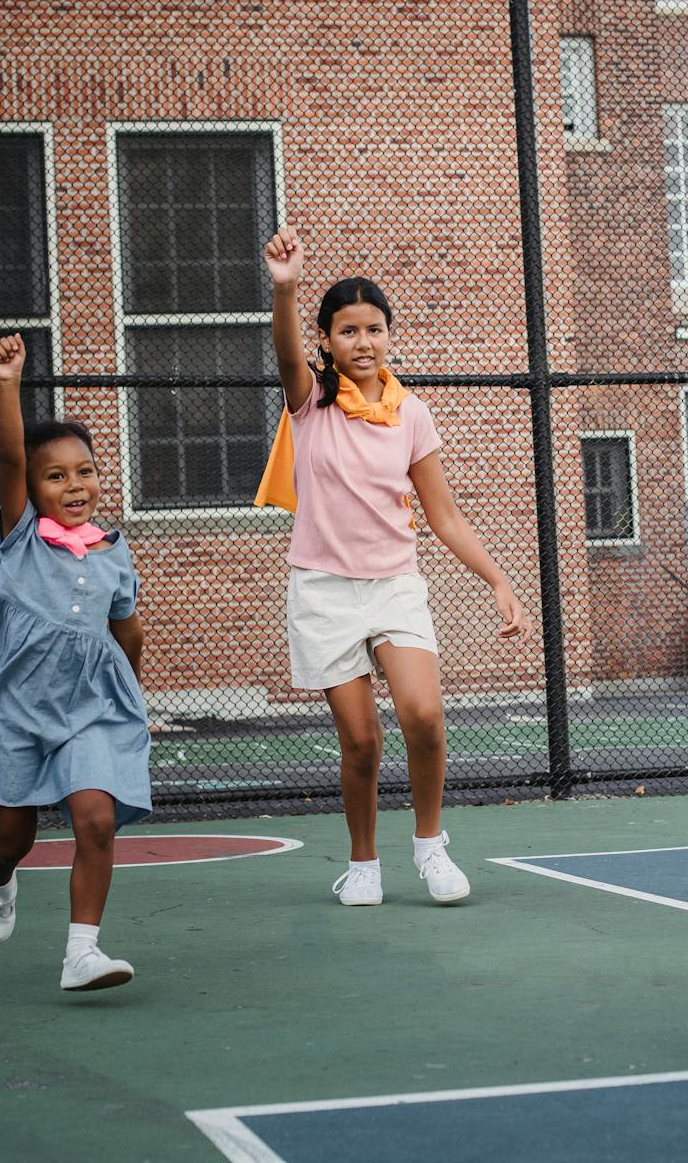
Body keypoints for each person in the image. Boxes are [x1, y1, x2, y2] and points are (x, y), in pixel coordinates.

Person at [257, 225, 529, 906]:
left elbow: (445, 516)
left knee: (424, 715)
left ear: (389, 335)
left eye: (374, 329)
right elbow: (284, 350)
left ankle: (431, 847)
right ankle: (364, 864)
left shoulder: (412, 414)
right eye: (347, 331)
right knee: (359, 742)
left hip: (394, 586)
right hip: (322, 590)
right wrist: (286, 288)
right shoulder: (309, 402)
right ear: (326, 340)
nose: (363, 342)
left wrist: (498, 580)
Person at [0, 333, 151, 991]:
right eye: (56, 475)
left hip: (88, 710)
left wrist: (128, 700)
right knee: (14, 837)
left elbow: (129, 633)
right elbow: (8, 455)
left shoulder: (113, 553)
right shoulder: (19, 543)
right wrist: (9, 383)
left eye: (85, 470)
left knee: (95, 817)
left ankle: (82, 952)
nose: (75, 484)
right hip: (17, 711)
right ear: (31, 488)